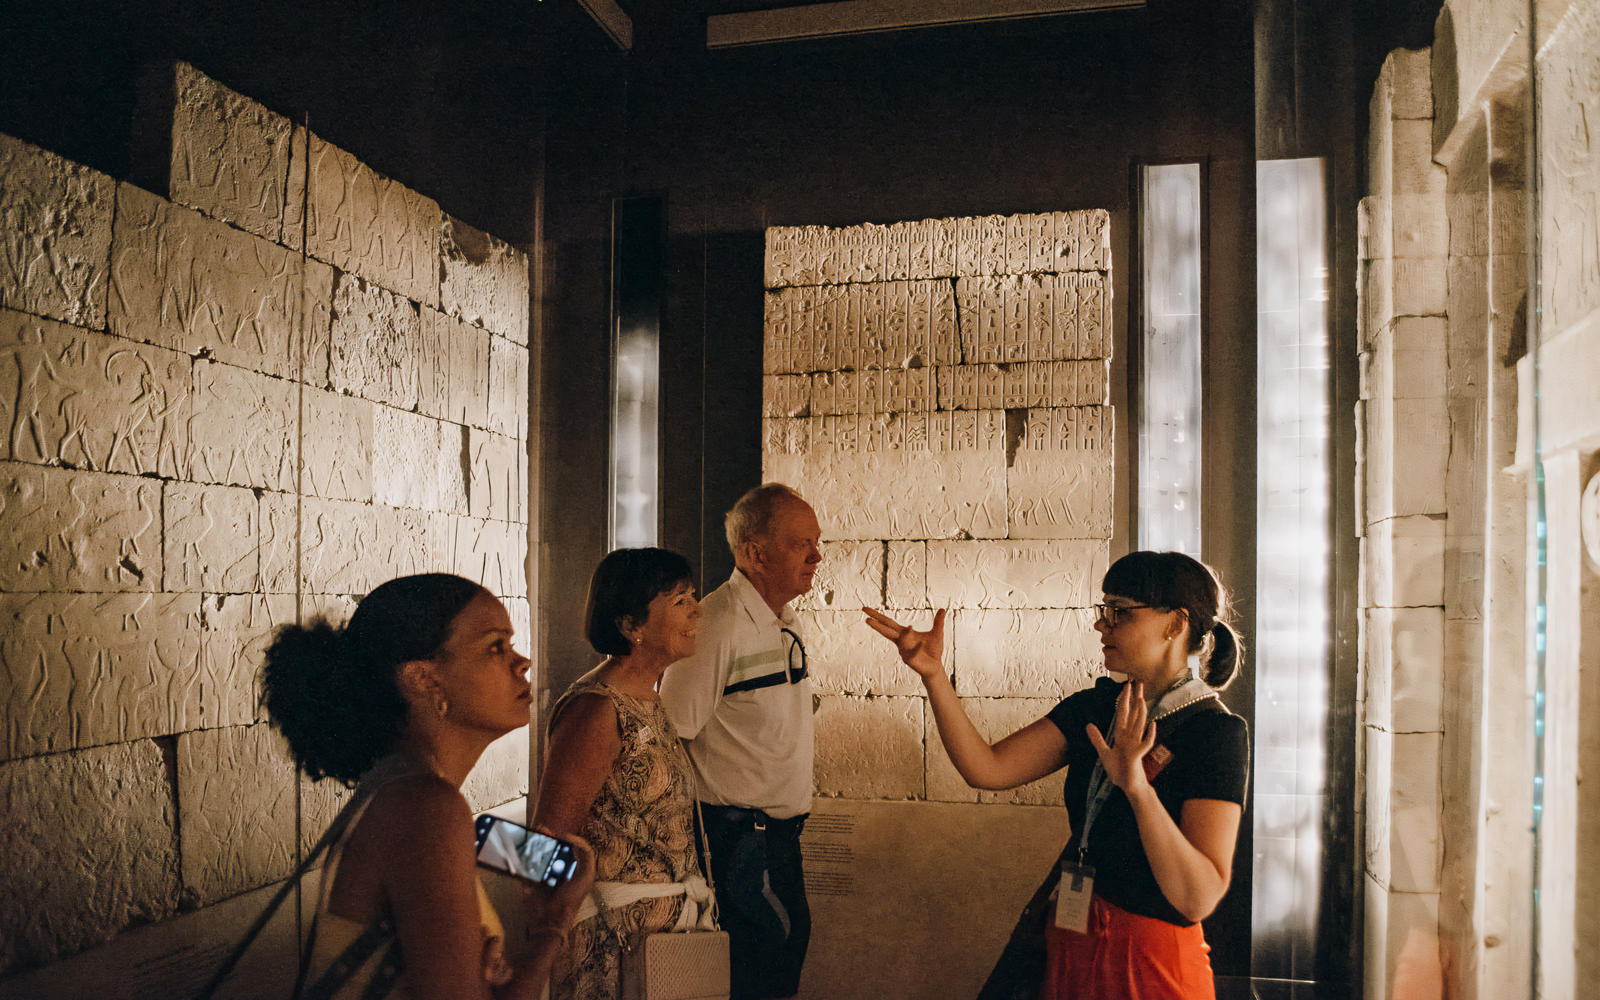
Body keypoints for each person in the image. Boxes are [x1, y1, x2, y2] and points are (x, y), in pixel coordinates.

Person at [863, 551, 1249, 1000]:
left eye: (1119, 612)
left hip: (1151, 963)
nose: (1101, 625)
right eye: (1103, 611)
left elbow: (1197, 898)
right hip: (1073, 938)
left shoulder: (1215, 732)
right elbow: (987, 769)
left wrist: (1136, 787)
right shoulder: (1097, 705)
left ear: (1175, 624)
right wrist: (933, 674)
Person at [261, 572, 595, 1000]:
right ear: (423, 679)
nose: (522, 661)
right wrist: (556, 922)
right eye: (496, 646)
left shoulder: (412, 796)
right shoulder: (425, 809)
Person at [657, 483, 822, 1000]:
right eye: (802, 544)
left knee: (783, 948)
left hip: (777, 834)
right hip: (742, 836)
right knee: (765, 959)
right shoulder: (718, 624)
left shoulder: (783, 620)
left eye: (817, 542)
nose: (817, 556)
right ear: (755, 553)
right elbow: (671, 736)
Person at [534, 548, 712, 1000]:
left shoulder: (649, 699)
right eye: (678, 601)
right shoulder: (597, 709)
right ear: (630, 626)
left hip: (662, 950)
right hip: (609, 954)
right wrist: (553, 933)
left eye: (692, 595)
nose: (696, 608)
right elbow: (538, 845)